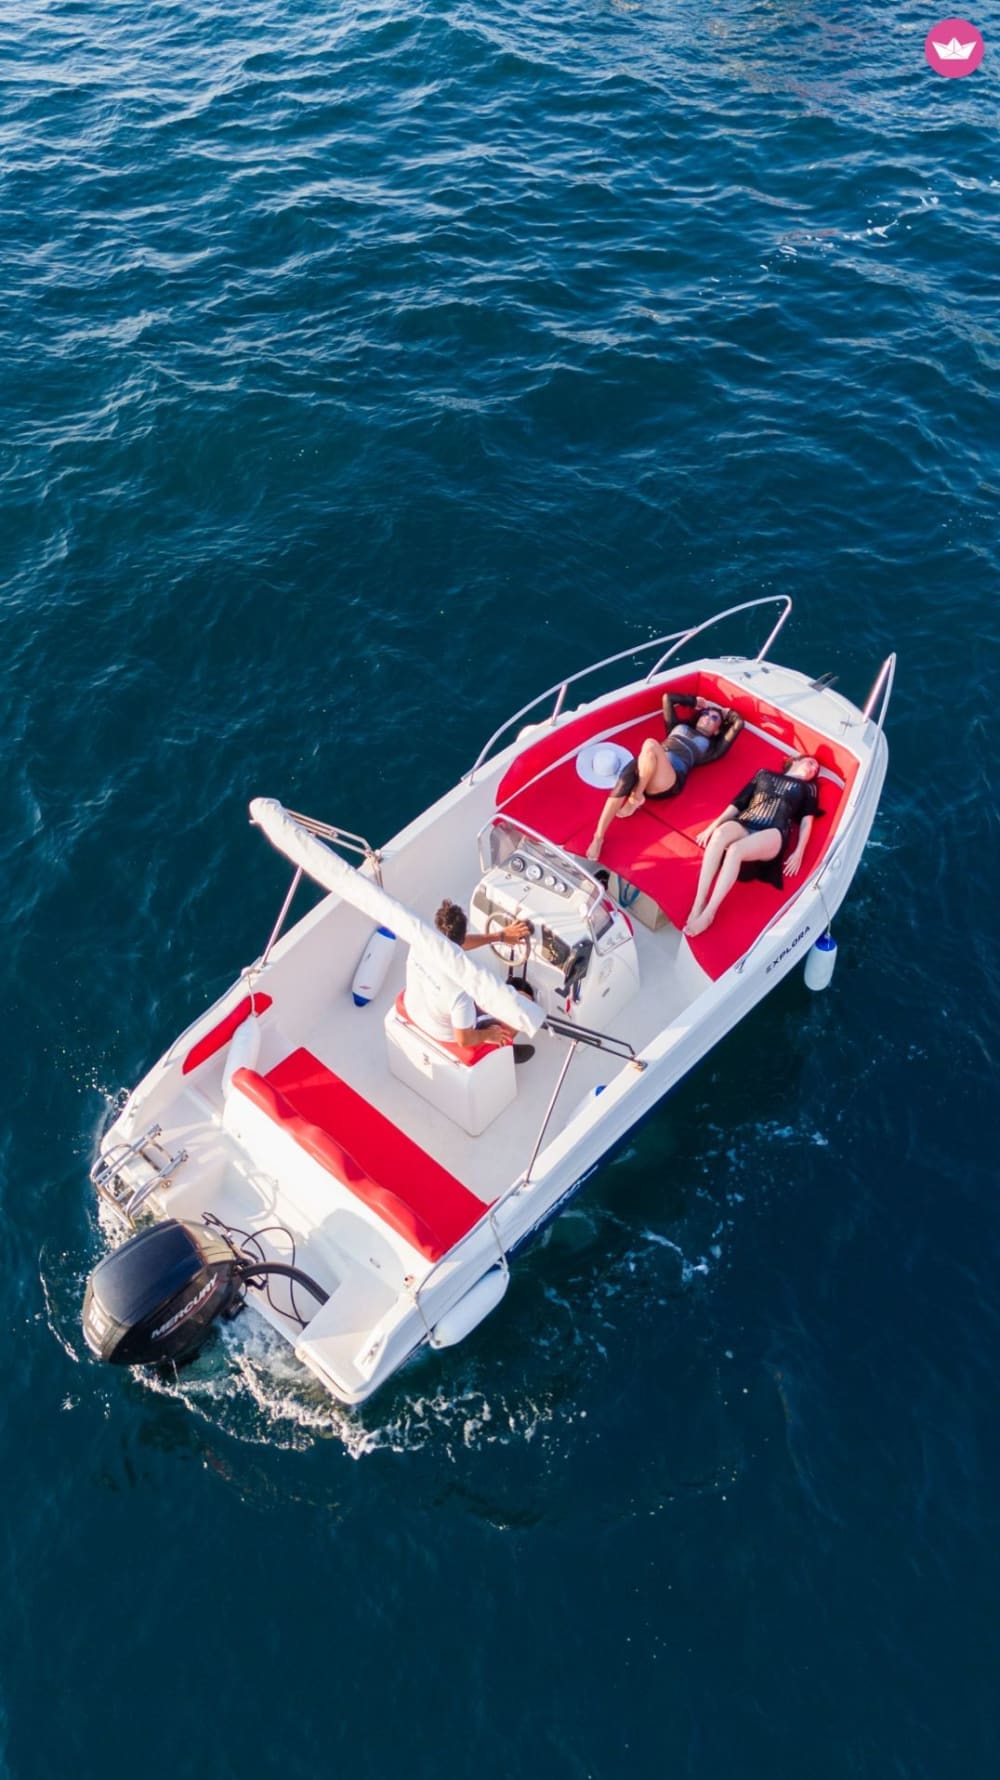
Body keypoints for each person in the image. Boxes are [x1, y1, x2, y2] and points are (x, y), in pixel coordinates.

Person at [586, 690, 743, 862]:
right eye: (706, 714)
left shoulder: (711, 750)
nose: (707, 717)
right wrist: (693, 701)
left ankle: (636, 796)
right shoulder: (676, 727)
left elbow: (738, 723)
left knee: (650, 744)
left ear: (717, 731)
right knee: (625, 780)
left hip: (670, 780)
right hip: (648, 763)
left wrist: (728, 714)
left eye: (714, 718)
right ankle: (598, 837)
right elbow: (668, 698)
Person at [683, 756, 822, 937]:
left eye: (816, 770)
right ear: (795, 760)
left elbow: (806, 822)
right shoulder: (764, 774)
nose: (813, 769)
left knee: (735, 850)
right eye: (810, 763)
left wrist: (799, 851)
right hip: (747, 821)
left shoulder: (808, 788)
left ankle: (709, 912)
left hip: (774, 831)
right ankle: (699, 903)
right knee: (719, 837)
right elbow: (738, 803)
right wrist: (712, 827)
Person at [404, 899, 536, 1062]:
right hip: (445, 1032)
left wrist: (500, 936)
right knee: (524, 1000)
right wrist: (489, 1034)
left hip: (416, 1009)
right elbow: (463, 1039)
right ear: (462, 936)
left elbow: (454, 944)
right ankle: (503, 1051)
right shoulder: (460, 990)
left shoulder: (421, 942)